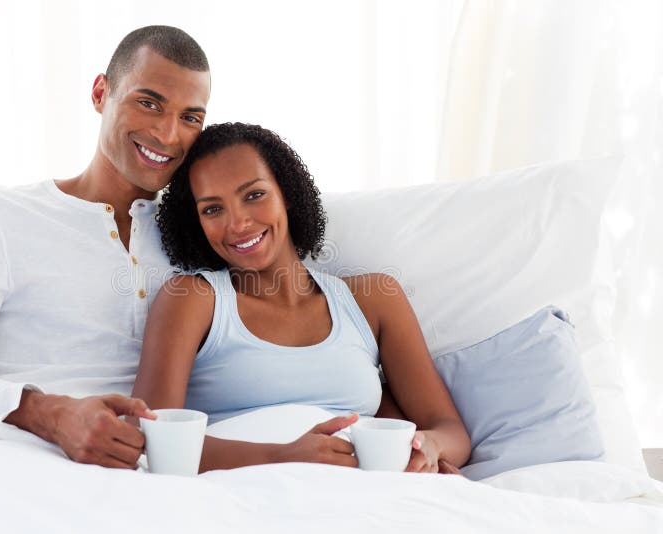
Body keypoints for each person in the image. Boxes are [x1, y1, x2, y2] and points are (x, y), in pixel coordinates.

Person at [0, 26, 211, 470]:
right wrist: (50, 413)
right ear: (101, 92)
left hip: (155, 468)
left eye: (190, 118)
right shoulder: (1, 215)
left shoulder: (200, 234)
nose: (168, 134)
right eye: (149, 103)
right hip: (23, 458)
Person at [132, 123, 471, 473]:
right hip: (245, 498)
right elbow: (152, 439)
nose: (238, 223)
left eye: (254, 195)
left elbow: (450, 431)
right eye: (213, 209)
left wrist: (427, 447)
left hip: (361, 497)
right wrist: (281, 456)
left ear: (287, 193)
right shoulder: (191, 300)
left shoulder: (374, 301)